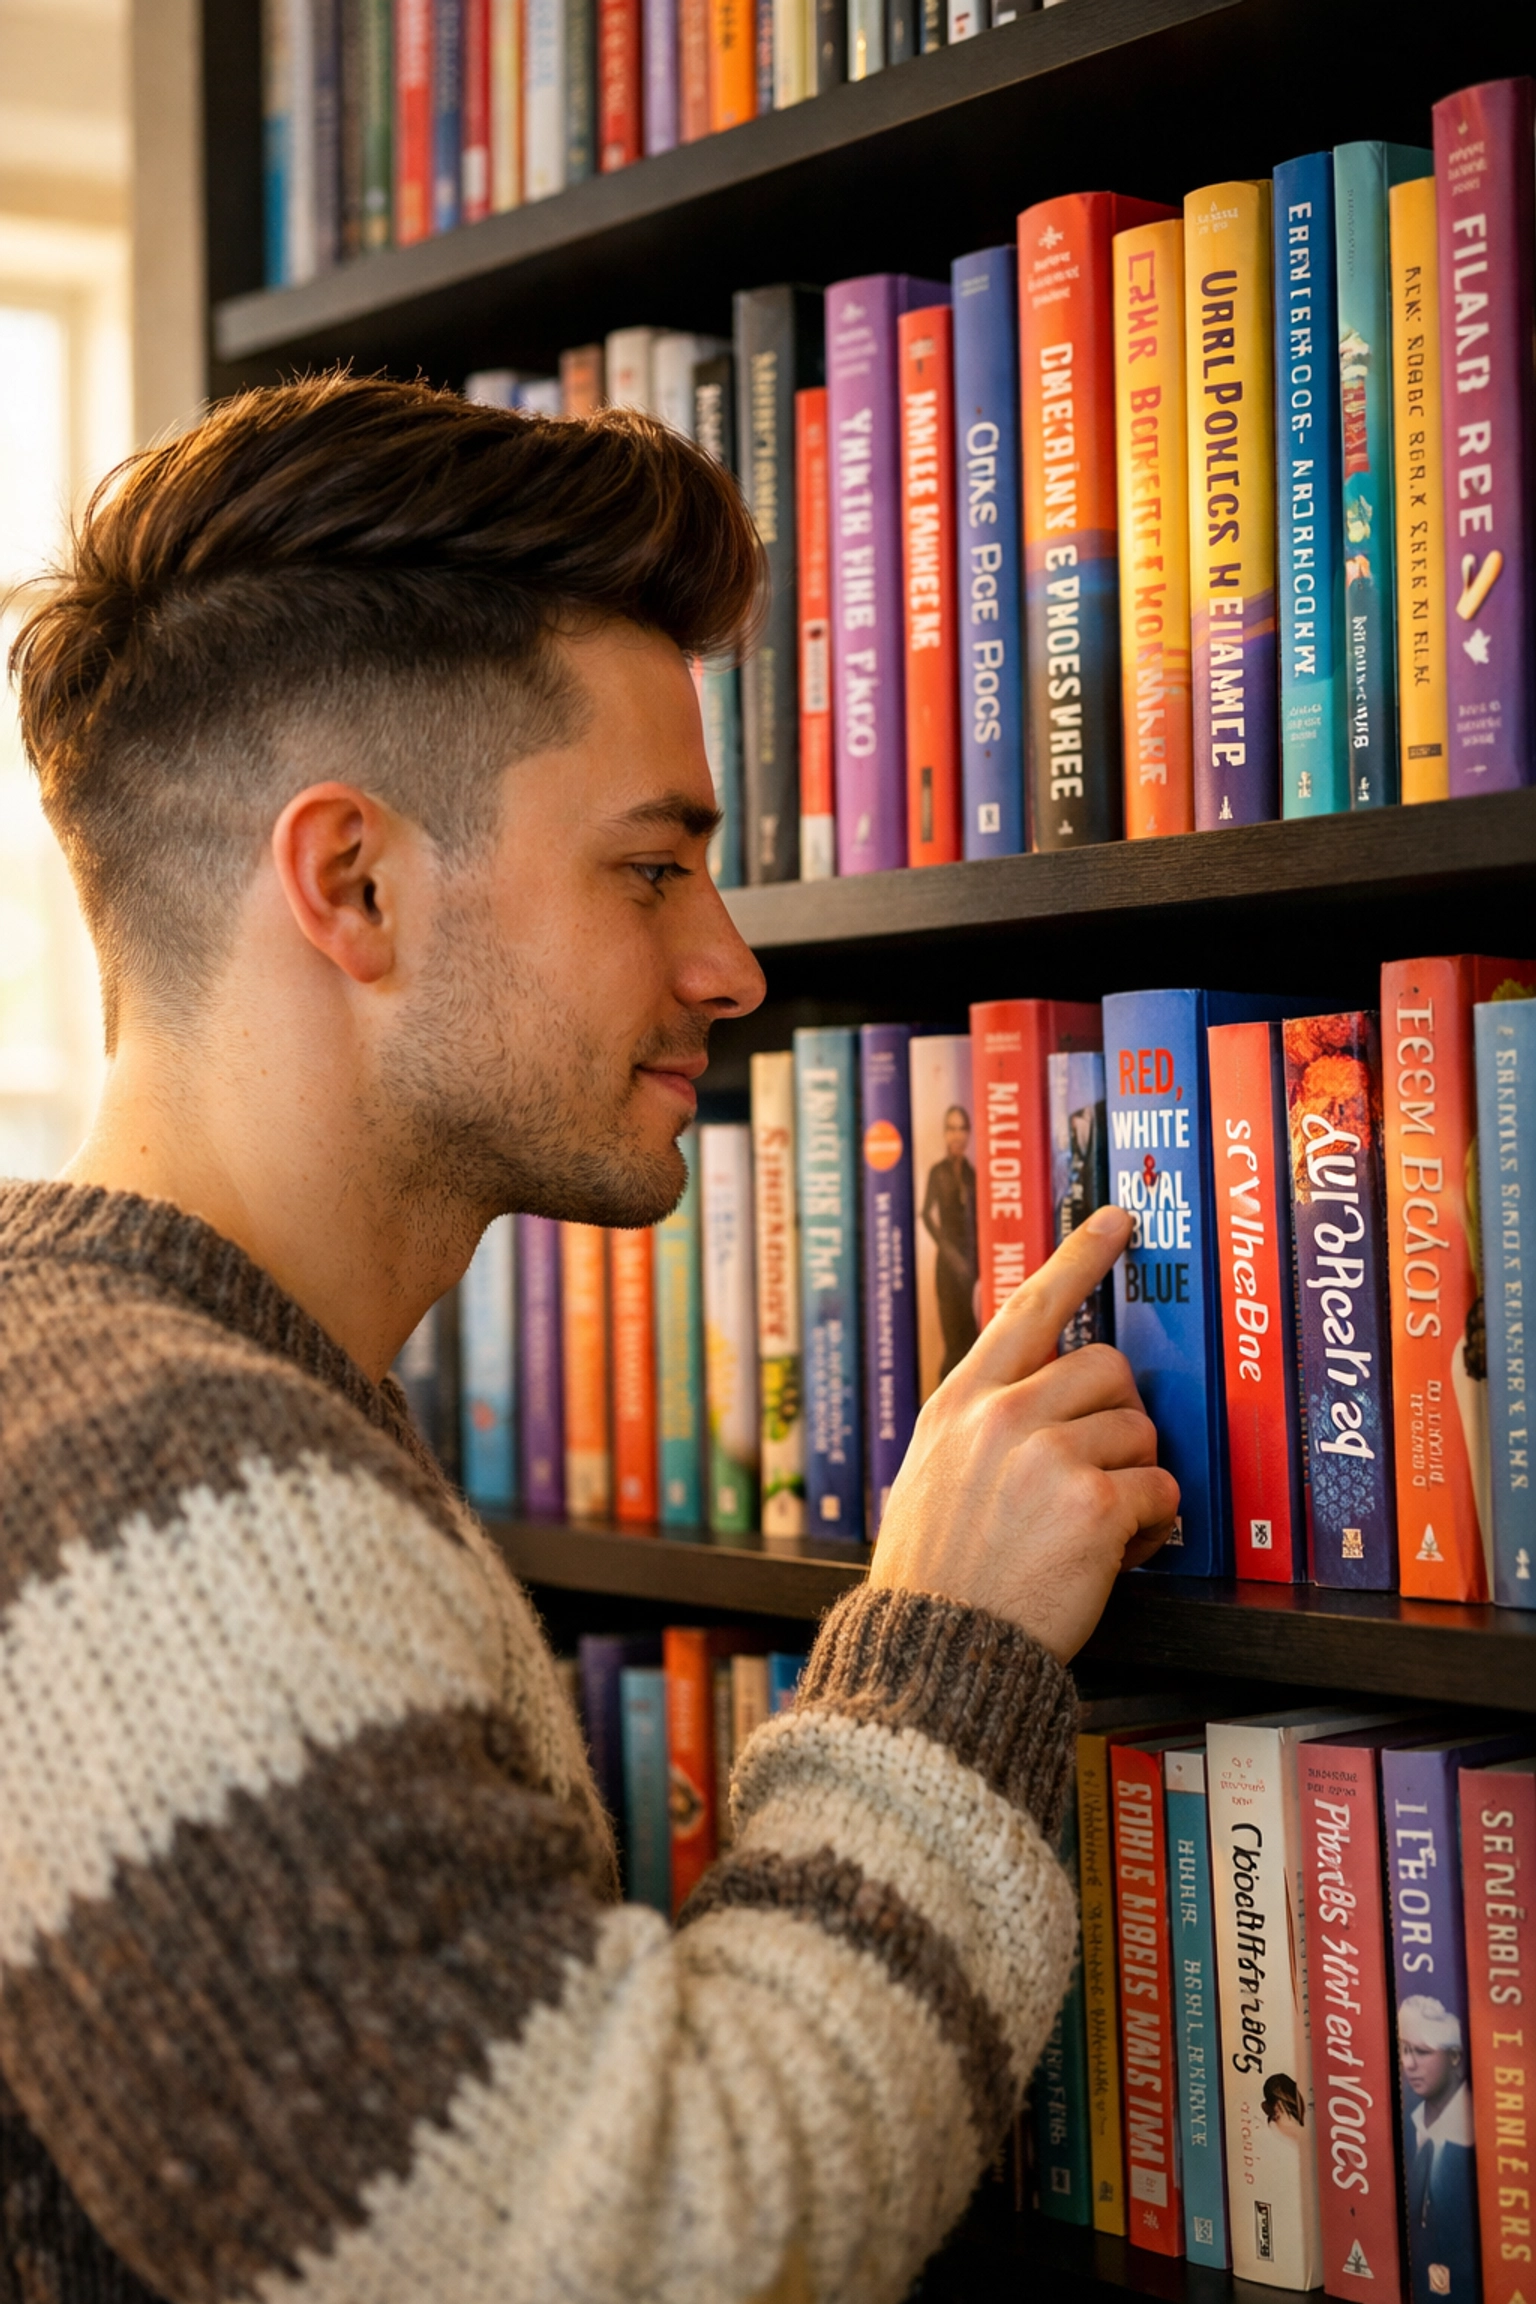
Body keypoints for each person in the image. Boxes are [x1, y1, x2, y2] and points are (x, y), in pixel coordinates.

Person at [0, 375, 1176, 2304]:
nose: (731, 960)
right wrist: (944, 1655)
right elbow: (632, 2250)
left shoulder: (140, 1393)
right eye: (648, 867)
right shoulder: (170, 1503)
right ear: (352, 881)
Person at [1398, 1995, 1478, 2303]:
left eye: (1422, 2051)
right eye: (1404, 2049)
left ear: (1455, 2056)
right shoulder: (1409, 2124)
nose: (1408, 2063)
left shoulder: (1474, 2138)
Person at [921, 1102, 980, 1380]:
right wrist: (950, 1253)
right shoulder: (938, 1172)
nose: (957, 1135)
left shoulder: (972, 1175)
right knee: (953, 1344)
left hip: (970, 1270)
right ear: (945, 1134)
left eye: (962, 1129)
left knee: (972, 1343)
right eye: (952, 1129)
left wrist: (974, 1264)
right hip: (947, 1269)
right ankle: (938, 1410)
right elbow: (925, 1214)